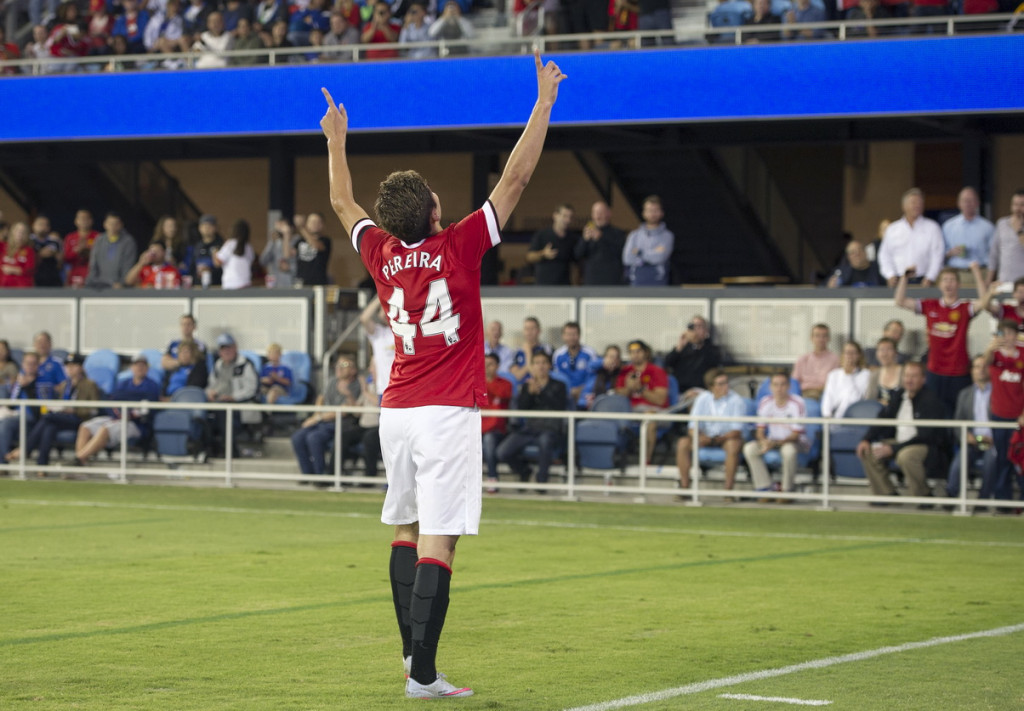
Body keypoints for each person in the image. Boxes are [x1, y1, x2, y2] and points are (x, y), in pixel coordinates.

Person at [319, 49, 565, 699]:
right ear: (431, 211)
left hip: (395, 410)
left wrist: (336, 141)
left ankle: (411, 658)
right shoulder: (459, 245)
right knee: (440, 539)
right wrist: (543, 104)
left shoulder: (377, 251)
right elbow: (515, 180)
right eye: (433, 193)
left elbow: (341, 199)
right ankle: (423, 675)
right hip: (446, 409)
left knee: (404, 527)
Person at [894, 263, 989, 416]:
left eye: (952, 280)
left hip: (959, 372)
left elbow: (984, 302)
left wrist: (977, 272)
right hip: (935, 371)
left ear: (958, 284)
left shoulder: (965, 307)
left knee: (958, 414)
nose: (948, 283)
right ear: (939, 285)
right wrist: (904, 277)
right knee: (933, 413)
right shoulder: (930, 305)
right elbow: (900, 301)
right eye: (945, 280)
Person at [856, 361, 949, 505]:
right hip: (898, 441)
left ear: (923, 379)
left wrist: (893, 448)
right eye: (906, 376)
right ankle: (886, 494)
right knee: (868, 451)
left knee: (906, 456)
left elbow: (926, 435)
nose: (909, 380)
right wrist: (866, 439)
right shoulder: (899, 395)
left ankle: (923, 496)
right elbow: (883, 418)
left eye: (914, 376)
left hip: (923, 444)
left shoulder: (931, 400)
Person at [5, 353, 101, 470]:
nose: (70, 368)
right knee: (49, 427)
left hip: (80, 420)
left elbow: (95, 409)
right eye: (68, 365)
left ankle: (25, 449)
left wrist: (74, 410)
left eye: (73, 365)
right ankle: (42, 466)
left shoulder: (90, 384)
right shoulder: (66, 384)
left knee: (47, 418)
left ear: (80, 367)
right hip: (63, 418)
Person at [496, 351, 567, 491]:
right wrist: (529, 393)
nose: (540, 366)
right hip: (530, 429)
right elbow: (522, 408)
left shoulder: (559, 385)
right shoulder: (527, 386)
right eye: (537, 363)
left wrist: (541, 391)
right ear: (532, 366)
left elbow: (559, 406)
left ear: (549, 366)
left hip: (550, 429)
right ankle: (524, 471)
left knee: (545, 442)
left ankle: (541, 482)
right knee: (502, 452)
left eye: (544, 363)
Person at [73, 353, 160, 465]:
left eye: (142, 365)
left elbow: (146, 410)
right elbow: (112, 402)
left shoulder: (152, 386)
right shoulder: (123, 384)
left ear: (147, 368)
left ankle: (78, 459)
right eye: (137, 365)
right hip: (116, 418)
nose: (139, 368)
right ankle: (80, 464)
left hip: (136, 424)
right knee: (85, 427)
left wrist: (127, 413)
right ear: (131, 367)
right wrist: (120, 412)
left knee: (106, 429)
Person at [676, 368, 747, 496]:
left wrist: (714, 440)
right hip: (705, 438)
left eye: (726, 382)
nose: (725, 386)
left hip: (725, 439)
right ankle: (684, 487)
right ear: (711, 386)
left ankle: (728, 491)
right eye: (720, 384)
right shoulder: (702, 398)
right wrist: (700, 437)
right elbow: (692, 426)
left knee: (733, 445)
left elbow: (736, 431)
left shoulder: (736, 400)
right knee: (683, 443)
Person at [291, 355, 362, 478]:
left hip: (341, 423)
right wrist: (316, 414)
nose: (339, 368)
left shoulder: (357, 385)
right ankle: (307, 474)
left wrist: (318, 418)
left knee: (314, 438)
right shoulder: (332, 381)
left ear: (353, 370)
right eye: (338, 365)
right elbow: (321, 397)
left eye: (344, 365)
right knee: (297, 437)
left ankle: (321, 476)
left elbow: (345, 410)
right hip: (323, 420)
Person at [742, 372, 808, 501]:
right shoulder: (765, 402)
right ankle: (765, 488)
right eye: (776, 385)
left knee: (789, 451)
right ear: (770, 387)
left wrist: (773, 443)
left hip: (795, 443)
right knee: (749, 449)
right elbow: (760, 430)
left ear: (788, 386)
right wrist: (764, 441)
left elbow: (795, 435)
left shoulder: (797, 403)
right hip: (772, 442)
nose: (779, 388)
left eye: (783, 384)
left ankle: (787, 491)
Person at [982, 320, 1024, 503]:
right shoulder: (995, 356)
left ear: (1016, 335)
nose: (1007, 337)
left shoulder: (1022, 354)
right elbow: (983, 368)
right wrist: (989, 349)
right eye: (1003, 333)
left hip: (1019, 417)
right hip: (999, 415)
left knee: (1020, 458)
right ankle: (1002, 500)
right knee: (1002, 459)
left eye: (1011, 333)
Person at [945, 355, 995, 500]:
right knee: (960, 461)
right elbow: (957, 422)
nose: (981, 370)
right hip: (972, 441)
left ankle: (983, 499)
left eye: (985, 366)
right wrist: (965, 436)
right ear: (972, 370)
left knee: (990, 461)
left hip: (993, 442)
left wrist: (994, 438)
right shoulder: (964, 394)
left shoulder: (998, 393)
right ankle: (951, 496)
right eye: (977, 366)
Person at [614, 338, 669, 464]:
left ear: (646, 353)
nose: (635, 355)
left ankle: (646, 460)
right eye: (632, 352)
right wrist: (628, 388)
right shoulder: (626, 371)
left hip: (656, 412)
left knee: (649, 418)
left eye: (638, 351)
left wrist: (641, 389)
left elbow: (660, 400)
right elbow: (618, 395)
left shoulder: (657, 371)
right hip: (631, 411)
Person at [877, 188, 945, 288]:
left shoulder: (932, 227)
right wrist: (889, 275)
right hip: (898, 281)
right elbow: (884, 255)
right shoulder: (892, 229)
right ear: (904, 206)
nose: (917, 205)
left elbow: (938, 255)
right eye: (913, 202)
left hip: (924, 281)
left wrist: (930, 277)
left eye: (920, 202)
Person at [205, 333, 259, 456]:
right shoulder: (218, 365)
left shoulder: (245, 364)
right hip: (219, 401)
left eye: (229, 347)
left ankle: (229, 449)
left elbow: (251, 389)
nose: (226, 351)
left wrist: (233, 397)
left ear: (235, 347)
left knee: (224, 412)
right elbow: (211, 384)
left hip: (239, 403)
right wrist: (210, 393)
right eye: (223, 348)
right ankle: (210, 449)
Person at [663, 315, 721, 406]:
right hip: (681, 391)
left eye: (700, 327)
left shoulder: (711, 349)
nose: (696, 330)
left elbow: (714, 362)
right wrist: (679, 346)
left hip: (702, 390)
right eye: (693, 327)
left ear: (706, 331)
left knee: (693, 400)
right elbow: (667, 364)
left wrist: (697, 344)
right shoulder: (681, 349)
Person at [622, 195, 673, 286]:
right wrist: (652, 253)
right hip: (637, 283)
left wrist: (639, 252)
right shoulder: (634, 235)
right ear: (643, 213)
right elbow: (627, 258)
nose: (652, 214)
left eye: (655, 210)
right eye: (649, 210)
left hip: (659, 283)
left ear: (661, 213)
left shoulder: (668, 236)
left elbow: (660, 257)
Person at [574, 200, 627, 286]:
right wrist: (584, 240)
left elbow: (621, 253)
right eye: (595, 213)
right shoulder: (587, 233)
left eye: (601, 213)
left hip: (612, 282)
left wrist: (601, 238)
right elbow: (577, 255)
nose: (598, 216)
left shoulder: (618, 233)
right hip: (592, 282)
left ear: (609, 214)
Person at [0, 351, 41, 460]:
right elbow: (12, 404)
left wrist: (27, 387)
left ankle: (3, 462)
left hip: (32, 419)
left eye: (33, 363)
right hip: (16, 417)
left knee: (6, 423)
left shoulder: (42, 382)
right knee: (4, 424)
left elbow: (38, 411)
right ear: (23, 364)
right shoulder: (18, 381)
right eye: (28, 363)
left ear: (38, 365)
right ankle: (3, 462)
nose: (30, 366)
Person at [482, 352, 513, 491]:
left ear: (498, 366)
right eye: (485, 364)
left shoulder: (506, 384)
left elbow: (502, 393)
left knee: (488, 440)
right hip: (477, 428)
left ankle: (492, 477)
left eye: (491, 364)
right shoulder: (475, 383)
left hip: (497, 430)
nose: (487, 367)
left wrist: (487, 382)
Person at [943, 187, 993, 271]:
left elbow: (994, 254)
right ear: (959, 203)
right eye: (965, 201)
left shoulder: (988, 227)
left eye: (971, 200)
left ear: (977, 203)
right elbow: (938, 253)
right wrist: (950, 253)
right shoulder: (948, 226)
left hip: (980, 271)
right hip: (955, 272)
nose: (968, 204)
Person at [525, 203, 577, 286]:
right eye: (564, 216)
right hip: (543, 286)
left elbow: (576, 264)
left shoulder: (572, 238)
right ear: (555, 215)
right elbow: (529, 257)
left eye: (570, 217)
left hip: (564, 287)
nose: (567, 220)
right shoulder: (542, 235)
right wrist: (543, 254)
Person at [552, 320, 599, 406]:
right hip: (565, 394)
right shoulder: (558, 355)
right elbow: (557, 377)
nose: (571, 338)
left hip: (585, 393)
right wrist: (570, 391)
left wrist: (582, 389)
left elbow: (593, 376)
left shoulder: (590, 353)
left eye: (574, 334)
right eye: (568, 334)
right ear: (563, 336)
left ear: (579, 335)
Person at [86, 212, 137, 289]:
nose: (113, 227)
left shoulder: (128, 242)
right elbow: (93, 264)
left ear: (121, 225)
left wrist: (122, 283)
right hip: (99, 286)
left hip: (120, 287)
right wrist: (93, 282)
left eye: (116, 224)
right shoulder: (99, 240)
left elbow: (128, 266)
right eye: (110, 223)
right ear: (105, 224)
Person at [820, 340, 870, 419]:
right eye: (847, 353)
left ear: (859, 355)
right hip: (834, 418)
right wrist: (826, 415)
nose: (850, 356)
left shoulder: (865, 374)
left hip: (855, 417)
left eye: (853, 353)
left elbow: (856, 398)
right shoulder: (833, 374)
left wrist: (849, 375)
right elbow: (828, 396)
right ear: (843, 355)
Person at [986, 189, 1024, 288]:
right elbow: (994, 253)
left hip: (1022, 283)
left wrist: (1019, 230)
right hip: (1004, 281)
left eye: (1022, 205)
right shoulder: (1002, 223)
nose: (1018, 208)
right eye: (1015, 204)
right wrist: (989, 280)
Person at [791, 323, 839, 400]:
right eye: (817, 336)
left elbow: (836, 382)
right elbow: (794, 382)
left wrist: (818, 390)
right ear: (811, 338)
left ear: (829, 338)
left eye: (824, 336)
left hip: (825, 394)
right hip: (804, 394)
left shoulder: (835, 359)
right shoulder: (802, 359)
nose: (821, 339)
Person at [508, 316, 552, 384]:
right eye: (526, 329)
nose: (529, 332)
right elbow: (517, 377)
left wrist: (528, 353)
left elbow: (541, 375)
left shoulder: (547, 349)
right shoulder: (516, 351)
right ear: (523, 331)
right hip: (521, 390)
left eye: (532, 328)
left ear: (539, 331)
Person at [214, 219, 255, 290]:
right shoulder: (249, 247)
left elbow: (218, 262)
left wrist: (214, 252)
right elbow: (251, 262)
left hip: (230, 284)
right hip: (245, 284)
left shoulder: (230, 244)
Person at [292, 213, 331, 286]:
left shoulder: (325, 240)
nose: (314, 224)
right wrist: (286, 234)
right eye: (312, 222)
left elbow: (316, 246)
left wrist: (301, 228)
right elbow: (288, 254)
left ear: (322, 225)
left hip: (318, 283)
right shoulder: (300, 240)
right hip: (301, 282)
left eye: (317, 222)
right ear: (307, 224)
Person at [864, 337, 904, 408]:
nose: (884, 354)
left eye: (888, 349)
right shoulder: (874, 375)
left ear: (895, 352)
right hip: (879, 415)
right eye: (881, 350)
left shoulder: (904, 373)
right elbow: (869, 400)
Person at [63, 209, 98, 286]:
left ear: (91, 221)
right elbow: (65, 257)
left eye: (86, 218)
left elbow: (101, 258)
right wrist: (76, 251)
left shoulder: (98, 237)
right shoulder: (70, 237)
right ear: (76, 221)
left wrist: (87, 252)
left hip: (91, 273)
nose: (83, 221)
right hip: (74, 272)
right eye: (81, 218)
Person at [189, 214, 224, 288]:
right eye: (204, 226)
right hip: (198, 285)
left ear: (215, 228)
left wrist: (210, 269)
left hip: (216, 285)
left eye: (209, 226)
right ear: (199, 228)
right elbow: (192, 266)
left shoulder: (221, 245)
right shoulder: (197, 245)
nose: (207, 228)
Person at [260, 218, 296, 288]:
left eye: (283, 226)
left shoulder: (297, 242)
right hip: (274, 284)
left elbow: (301, 265)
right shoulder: (274, 243)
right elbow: (263, 261)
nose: (280, 230)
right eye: (279, 227)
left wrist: (289, 267)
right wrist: (271, 242)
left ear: (291, 228)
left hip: (291, 283)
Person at [583, 344, 622, 408]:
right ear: (605, 357)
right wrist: (602, 362)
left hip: (608, 407)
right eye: (611, 357)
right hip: (587, 405)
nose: (613, 360)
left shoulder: (620, 374)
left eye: (616, 357)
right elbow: (589, 365)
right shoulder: (595, 370)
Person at [30, 215, 62, 287]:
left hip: (52, 277)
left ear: (49, 227)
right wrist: (39, 255)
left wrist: (55, 255)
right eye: (40, 224)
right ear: (33, 226)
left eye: (46, 225)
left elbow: (60, 262)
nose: (43, 227)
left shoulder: (55, 241)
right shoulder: (29, 241)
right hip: (35, 277)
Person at [1, 222, 36, 288]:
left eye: (23, 232)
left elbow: (30, 270)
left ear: (27, 235)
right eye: (17, 230)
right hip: (3, 286)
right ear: (12, 232)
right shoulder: (3, 247)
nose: (20, 234)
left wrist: (13, 269)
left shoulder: (29, 250)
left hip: (21, 288)